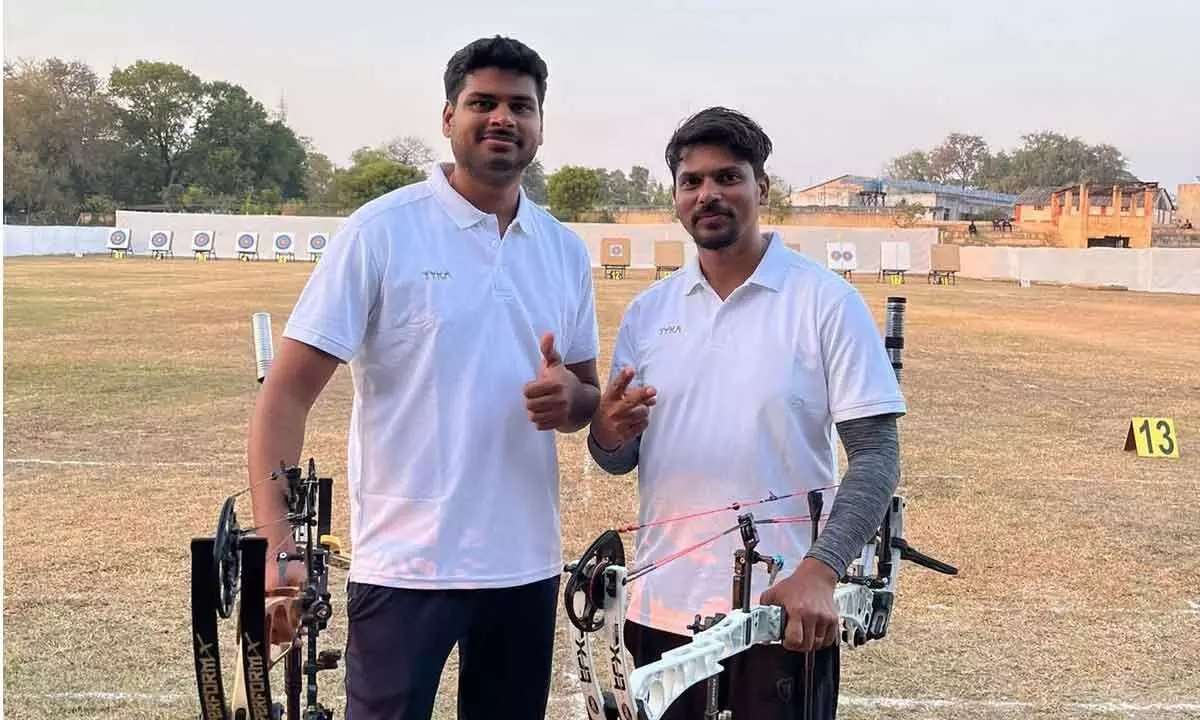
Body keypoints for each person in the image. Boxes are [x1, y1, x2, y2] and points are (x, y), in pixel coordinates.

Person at [246, 35, 601, 720]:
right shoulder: (381, 231)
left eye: (520, 106)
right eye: (483, 102)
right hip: (406, 564)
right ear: (448, 118)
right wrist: (278, 545)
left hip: (524, 564)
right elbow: (284, 395)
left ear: (541, 126)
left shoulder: (562, 248)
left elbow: (587, 396)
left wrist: (573, 399)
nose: (503, 118)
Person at [588, 106, 906, 719]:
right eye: (692, 181)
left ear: (762, 188)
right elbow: (618, 458)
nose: (709, 194)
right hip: (657, 611)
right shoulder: (648, 313)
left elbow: (876, 457)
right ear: (677, 197)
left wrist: (820, 571)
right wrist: (605, 432)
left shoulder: (825, 302)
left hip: (779, 612)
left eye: (728, 177)